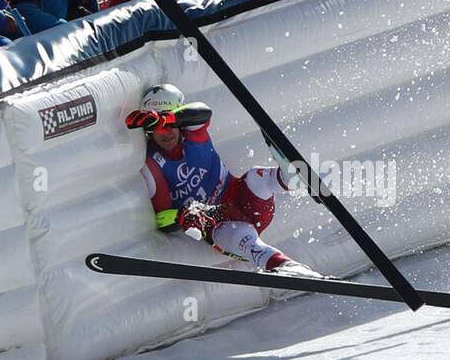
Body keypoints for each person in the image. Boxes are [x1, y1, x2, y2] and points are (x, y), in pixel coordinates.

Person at [126, 83, 319, 277]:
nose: (166, 132)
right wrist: (184, 216)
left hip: (244, 200)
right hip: (218, 222)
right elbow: (165, 221)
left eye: (170, 125)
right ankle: (287, 266)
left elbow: (202, 111)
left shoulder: (195, 134)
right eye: (157, 128)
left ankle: (293, 177)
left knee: (255, 176)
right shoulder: (152, 163)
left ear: (180, 120)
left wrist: (163, 118)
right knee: (236, 235)